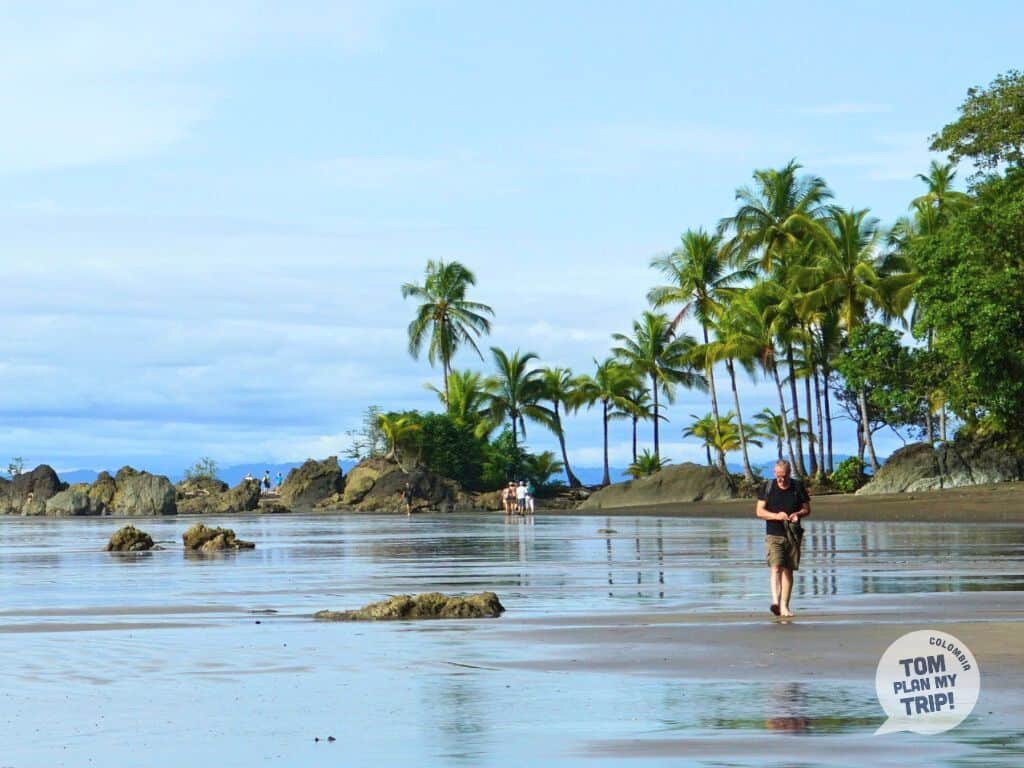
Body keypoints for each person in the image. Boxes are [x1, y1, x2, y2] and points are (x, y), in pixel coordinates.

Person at [755, 460, 810, 618]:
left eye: (784, 476)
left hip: (792, 534)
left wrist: (797, 514)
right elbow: (759, 511)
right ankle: (776, 603)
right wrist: (776, 516)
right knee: (776, 567)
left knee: (788, 571)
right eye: (778, 476)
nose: (781, 480)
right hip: (773, 533)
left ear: (789, 473)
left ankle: (785, 606)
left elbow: (807, 509)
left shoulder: (797, 487)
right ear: (774, 473)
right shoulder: (768, 487)